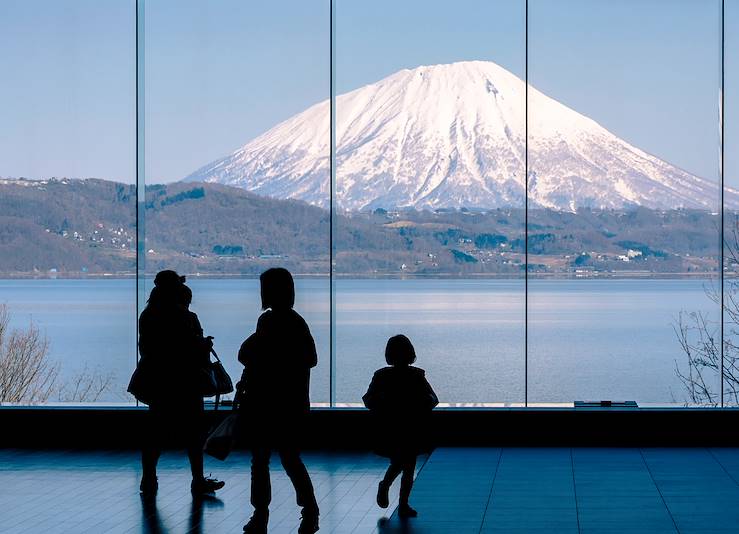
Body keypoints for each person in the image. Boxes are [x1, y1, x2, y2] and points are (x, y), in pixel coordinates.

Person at [238, 268, 319, 534]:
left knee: (260, 459)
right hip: (291, 402)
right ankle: (309, 508)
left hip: (263, 401)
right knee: (290, 457)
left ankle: (260, 513)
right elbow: (311, 359)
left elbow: (248, 357)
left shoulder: (267, 322)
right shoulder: (297, 322)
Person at [137, 270, 225, 497]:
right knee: (194, 434)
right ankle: (197, 480)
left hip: (157, 381)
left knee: (155, 432)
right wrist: (203, 345)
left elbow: (146, 349)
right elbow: (194, 351)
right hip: (187, 382)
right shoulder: (187, 317)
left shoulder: (148, 316)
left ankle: (149, 478)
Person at [363, 334, 438, 518]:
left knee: (399, 461)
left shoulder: (381, 376)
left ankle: (387, 486)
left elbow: (368, 399)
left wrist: (384, 405)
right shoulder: (417, 375)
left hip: (390, 427)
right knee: (408, 465)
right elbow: (433, 399)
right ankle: (402, 503)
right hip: (411, 426)